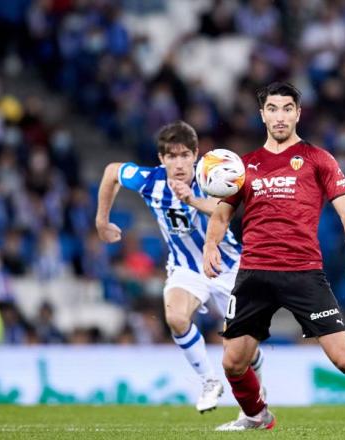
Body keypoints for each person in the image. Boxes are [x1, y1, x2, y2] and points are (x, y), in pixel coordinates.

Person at [203, 82, 345, 431]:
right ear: (262, 114)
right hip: (253, 273)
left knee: (343, 357)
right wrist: (210, 246)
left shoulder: (317, 159)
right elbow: (221, 215)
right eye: (272, 108)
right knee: (233, 362)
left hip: (303, 273)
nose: (279, 116)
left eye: (286, 108)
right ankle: (256, 416)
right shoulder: (244, 166)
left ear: (297, 113)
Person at [95, 121, 265, 413]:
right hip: (186, 268)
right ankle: (209, 381)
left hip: (228, 267)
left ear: (196, 155)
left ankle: (257, 387)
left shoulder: (211, 176)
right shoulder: (150, 181)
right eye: (171, 156)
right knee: (175, 317)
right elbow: (112, 171)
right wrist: (102, 220)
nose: (179, 163)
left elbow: (224, 208)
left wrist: (192, 199)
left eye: (184, 155)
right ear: (161, 159)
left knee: (239, 352)